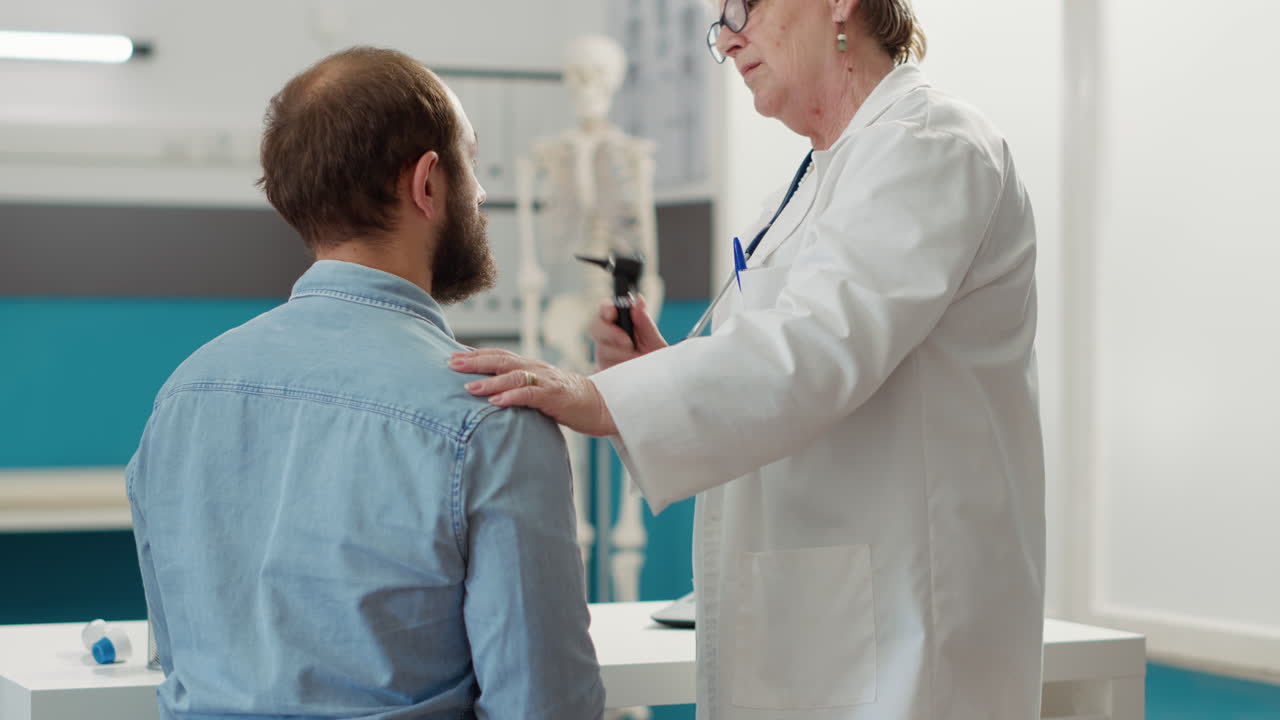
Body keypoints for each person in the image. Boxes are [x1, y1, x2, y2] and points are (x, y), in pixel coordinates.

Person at [449, 0, 1045, 718]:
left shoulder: (932, 144)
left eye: (742, 7)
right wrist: (656, 366)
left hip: (909, 626)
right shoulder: (800, 190)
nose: (725, 41)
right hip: (821, 621)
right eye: (717, 21)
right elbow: (779, 370)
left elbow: (817, 351)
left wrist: (606, 399)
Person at [127, 47, 604, 720]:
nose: (483, 193)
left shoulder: (182, 399)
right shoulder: (491, 415)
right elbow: (543, 707)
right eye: (471, 162)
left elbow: (180, 664)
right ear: (428, 183)